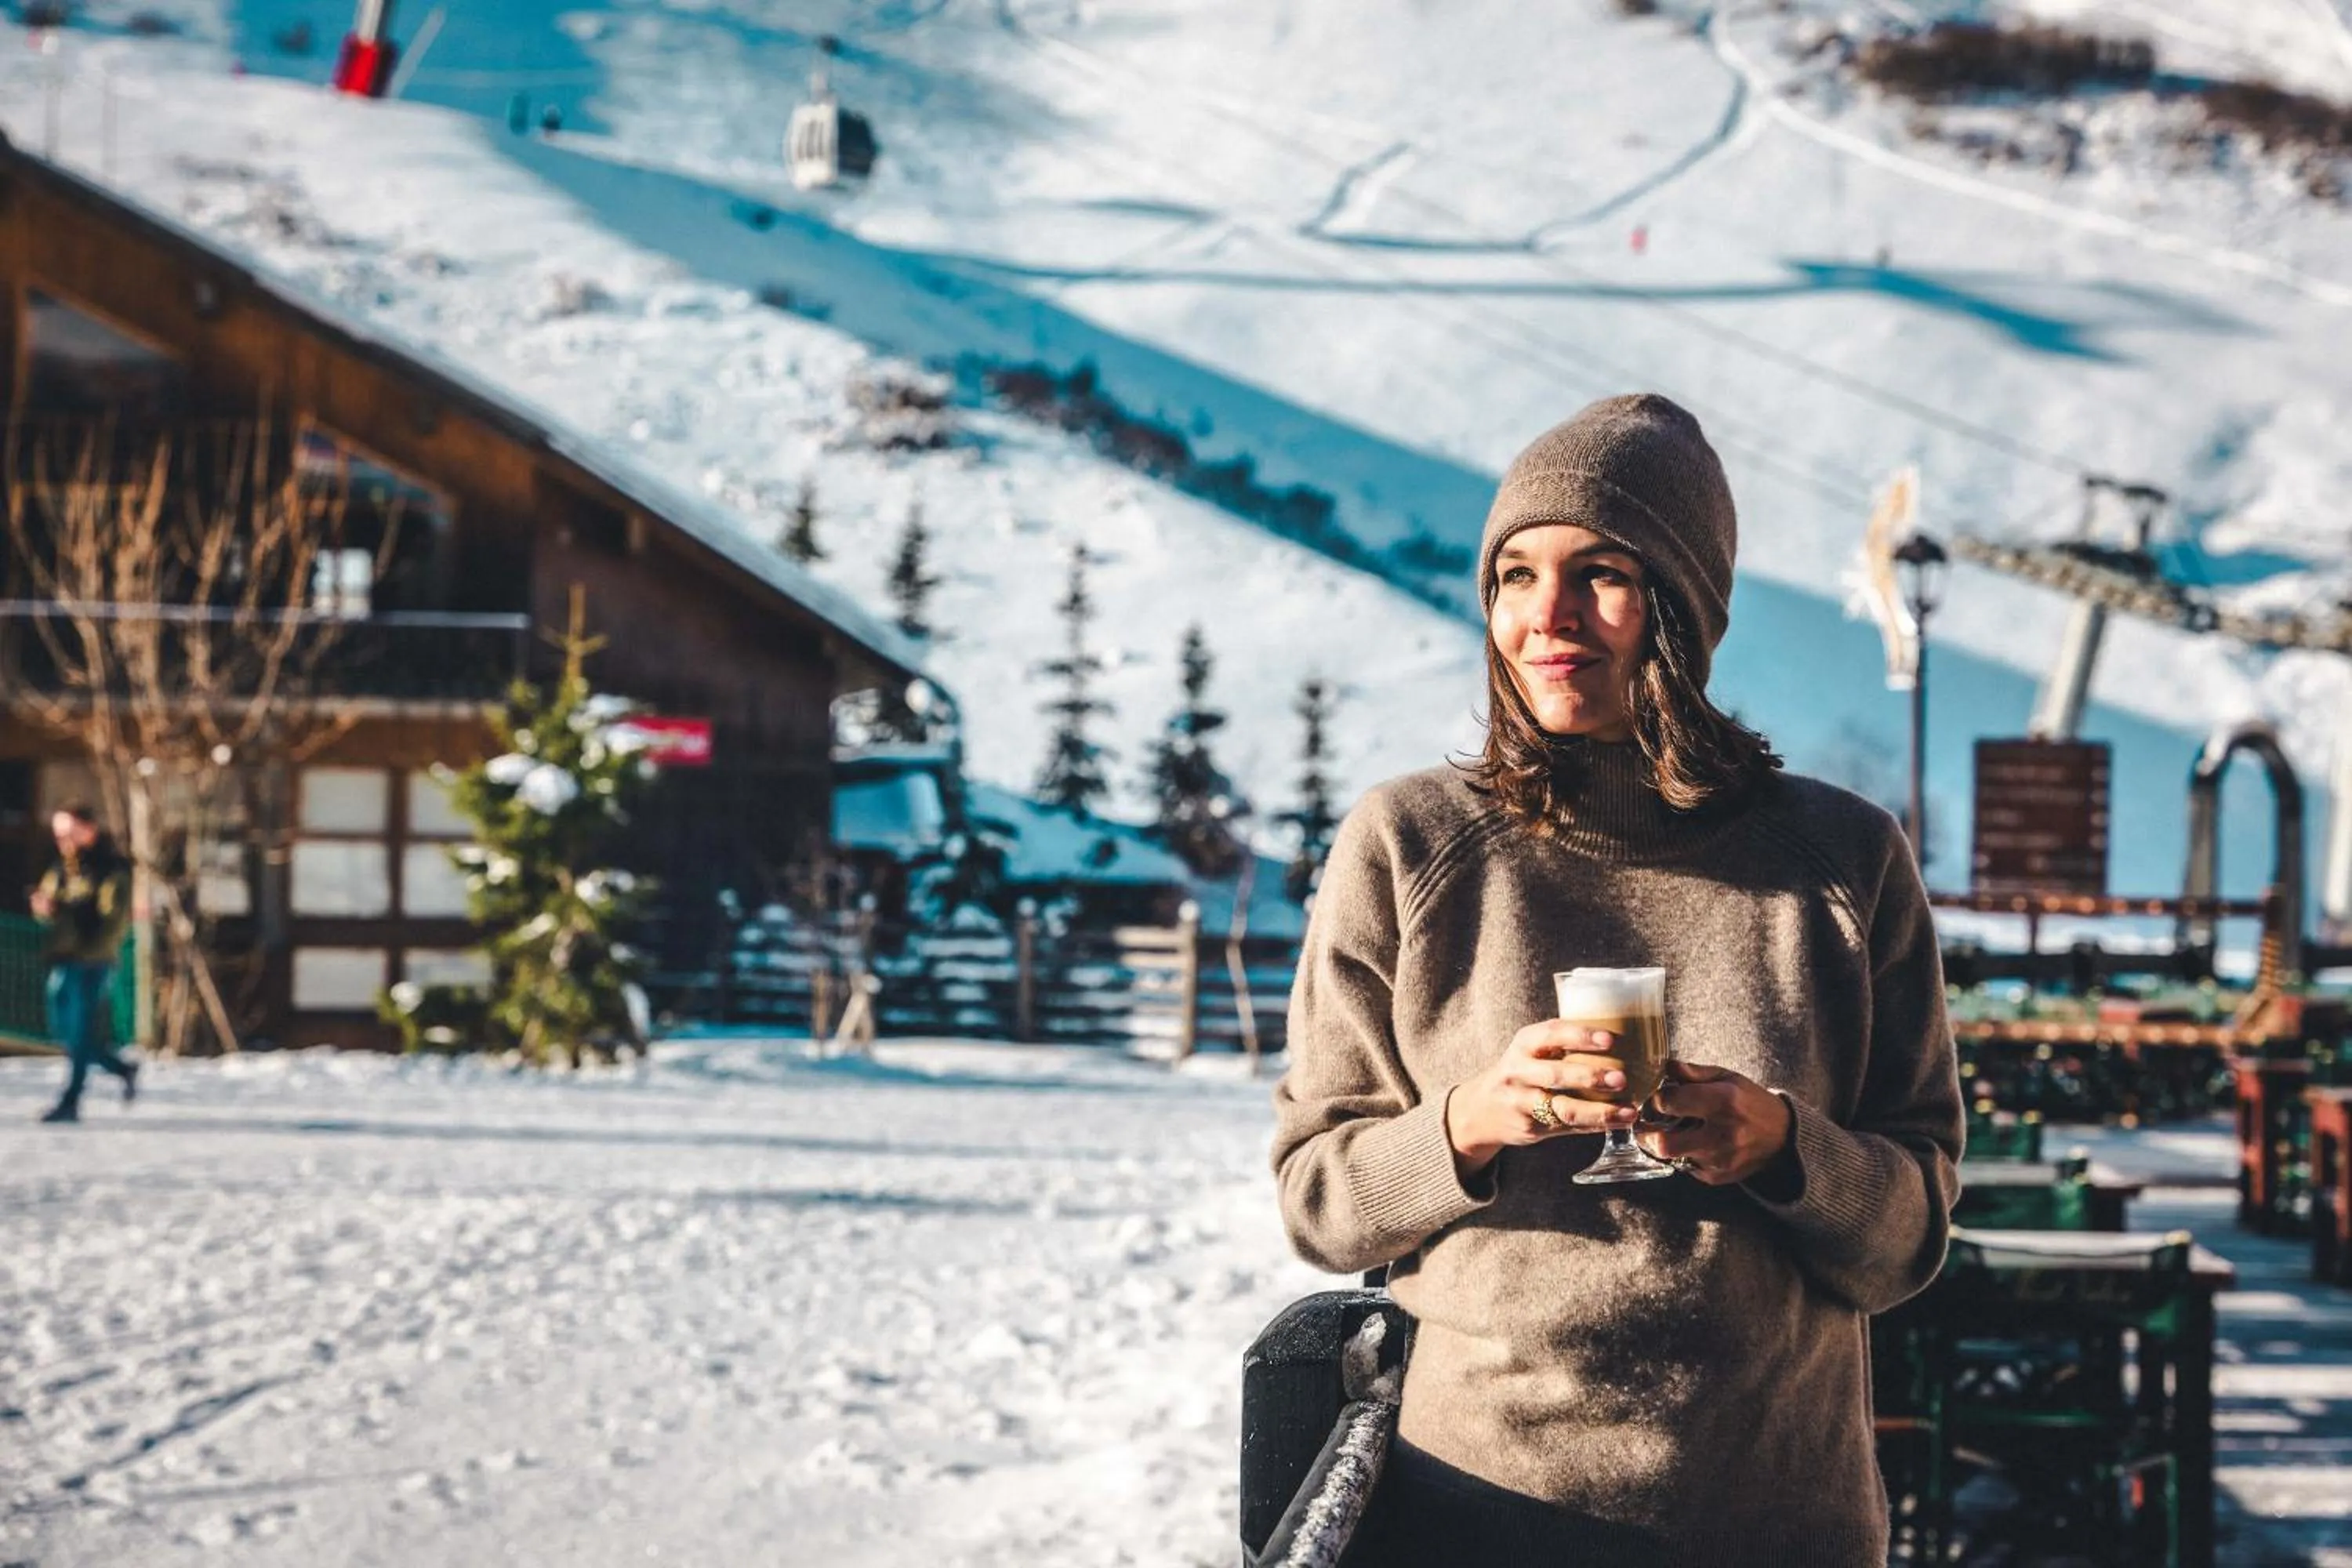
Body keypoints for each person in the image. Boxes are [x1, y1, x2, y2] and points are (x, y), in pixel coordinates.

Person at [1272, 394, 1962, 1566]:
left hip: (1773, 1519)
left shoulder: (1842, 863)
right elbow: (1318, 1201)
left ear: (1682, 610)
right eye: (1516, 578)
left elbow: (1911, 1235)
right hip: (1478, 1509)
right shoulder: (1407, 844)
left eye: (1601, 574)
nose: (1548, 619)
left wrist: (1787, 1147)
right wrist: (1470, 1124)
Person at [31, 804, 137, 1123]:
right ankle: (121, 1067)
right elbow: (48, 907)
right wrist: (44, 908)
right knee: (64, 1031)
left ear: (88, 829)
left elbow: (114, 921)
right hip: (62, 958)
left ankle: (71, 1099)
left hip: (92, 962)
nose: (63, 839)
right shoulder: (61, 868)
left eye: (69, 832)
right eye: (58, 833)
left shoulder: (110, 868)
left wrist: (88, 944)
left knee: (80, 1031)